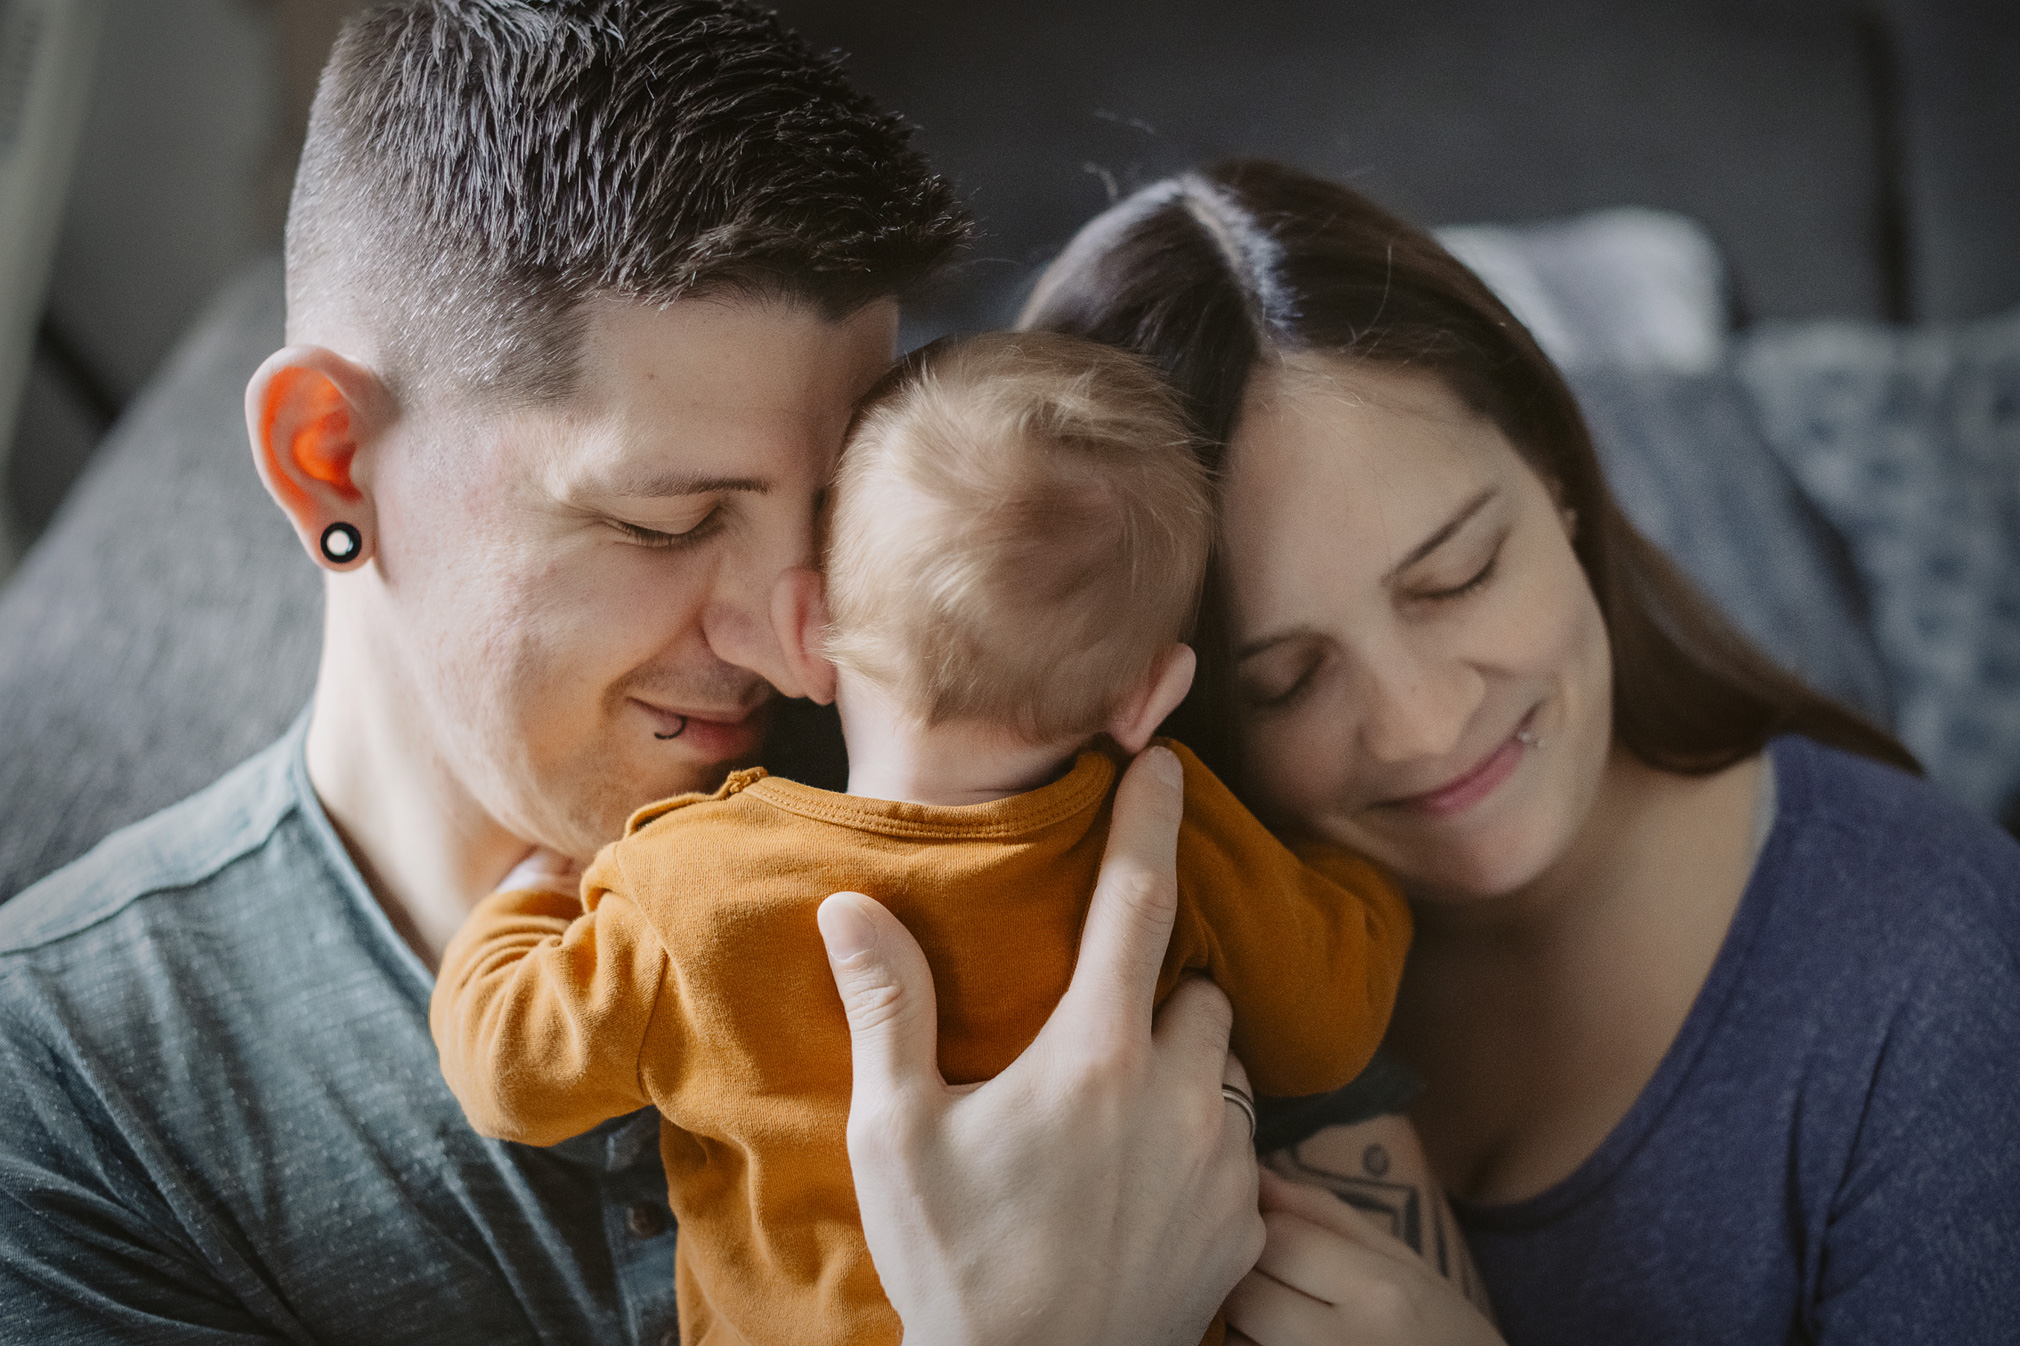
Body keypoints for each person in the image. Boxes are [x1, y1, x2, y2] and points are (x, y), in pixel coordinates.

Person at [0, 8, 1268, 1343]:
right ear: (330, 457)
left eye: (842, 520)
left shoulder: (988, 758)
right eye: (668, 523)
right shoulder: (66, 1111)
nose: (806, 650)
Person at [1019, 159, 2020, 1344]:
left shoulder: (1939, 971)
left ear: (1555, 475)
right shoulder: (1129, 992)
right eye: (1286, 680)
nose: (1425, 723)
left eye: (1456, 574)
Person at [429, 331, 1412, 1345]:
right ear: (1150, 693)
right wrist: (1349, 873)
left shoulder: (694, 891)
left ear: (806, 623)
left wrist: (522, 905)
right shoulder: (1173, 841)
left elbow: (507, 1073)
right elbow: (1329, 1026)